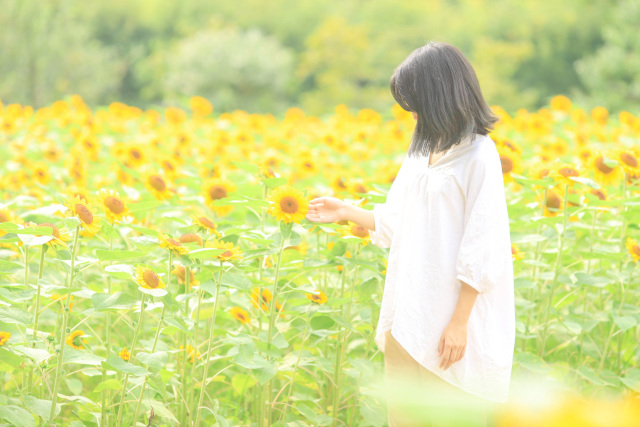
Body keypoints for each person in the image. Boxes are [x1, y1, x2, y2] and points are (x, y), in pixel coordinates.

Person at [305, 41, 516, 427]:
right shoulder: (422, 151)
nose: (412, 112)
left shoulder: (479, 155)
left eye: (415, 101)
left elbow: (483, 244)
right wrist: (345, 212)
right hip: (409, 311)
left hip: (453, 320)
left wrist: (458, 323)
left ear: (441, 96)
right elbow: (400, 222)